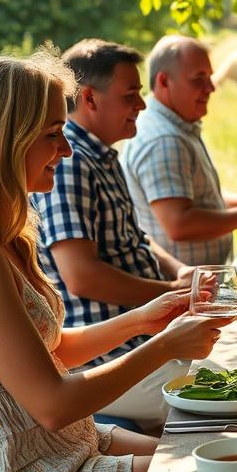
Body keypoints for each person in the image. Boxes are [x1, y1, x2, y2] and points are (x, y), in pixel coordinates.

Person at [0, 49, 231, 472]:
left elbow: (51, 348)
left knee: (213, 454)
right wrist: (165, 345)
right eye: (52, 135)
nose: (67, 149)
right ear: (8, 139)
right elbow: (53, 403)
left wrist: (144, 319)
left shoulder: (11, 235)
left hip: (67, 443)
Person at [32, 39, 195, 429]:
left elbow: (134, 236)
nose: (141, 104)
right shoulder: (71, 168)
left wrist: (180, 274)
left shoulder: (101, 156)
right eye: (131, 94)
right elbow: (81, 277)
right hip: (108, 360)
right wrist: (170, 292)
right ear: (89, 98)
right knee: (236, 396)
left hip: (138, 341)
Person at [120, 35, 237, 266]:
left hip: (200, 284)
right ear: (164, 82)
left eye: (210, 77)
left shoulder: (176, 126)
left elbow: (198, 201)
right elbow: (179, 225)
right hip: (188, 292)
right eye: (199, 79)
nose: (212, 87)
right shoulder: (165, 139)